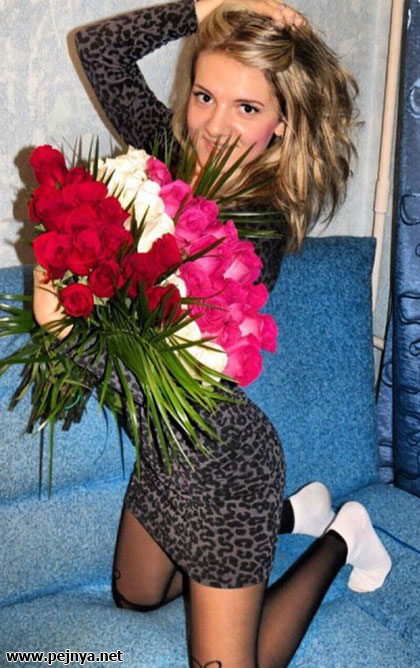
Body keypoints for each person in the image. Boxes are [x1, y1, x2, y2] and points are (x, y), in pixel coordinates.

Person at [33, 1, 392, 666]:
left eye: (247, 107)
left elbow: (159, 363)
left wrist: (62, 324)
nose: (215, 125)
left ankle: (341, 537)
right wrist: (213, 7)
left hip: (226, 467)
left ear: (283, 123)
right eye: (204, 95)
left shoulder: (258, 223)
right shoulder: (169, 156)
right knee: (135, 600)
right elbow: (100, 52)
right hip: (166, 447)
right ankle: (292, 516)